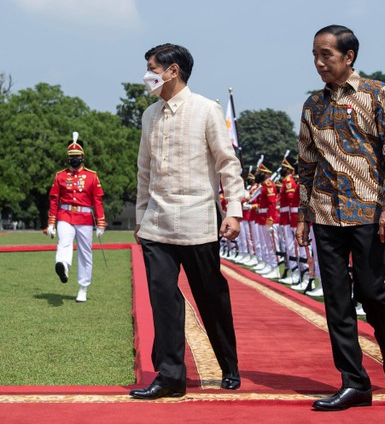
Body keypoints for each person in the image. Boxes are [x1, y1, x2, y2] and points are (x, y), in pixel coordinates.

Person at [296, 25, 385, 411]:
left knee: (373, 293)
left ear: (349, 56)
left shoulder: (377, 93)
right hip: (326, 212)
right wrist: (302, 215)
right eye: (315, 54)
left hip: (369, 212)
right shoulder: (312, 104)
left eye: (326, 54)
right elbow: (306, 162)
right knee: (336, 301)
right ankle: (355, 382)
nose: (319, 62)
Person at [130, 43, 244, 400]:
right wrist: (140, 217)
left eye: (152, 68)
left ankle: (228, 364)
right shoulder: (149, 115)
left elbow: (228, 163)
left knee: (210, 296)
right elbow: (144, 172)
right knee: (163, 298)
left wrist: (235, 209)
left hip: (198, 219)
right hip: (157, 222)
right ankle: (170, 376)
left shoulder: (206, 110)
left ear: (172, 70)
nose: (147, 74)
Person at [45, 132, 106, 302]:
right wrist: (51, 223)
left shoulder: (92, 176)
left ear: (82, 157)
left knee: (85, 253)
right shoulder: (60, 176)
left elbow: (97, 200)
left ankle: (83, 288)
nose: (74, 159)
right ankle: (63, 265)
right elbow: (54, 200)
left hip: (85, 217)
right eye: (71, 156)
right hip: (64, 214)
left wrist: (100, 223)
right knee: (64, 242)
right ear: (67, 158)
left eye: (77, 156)